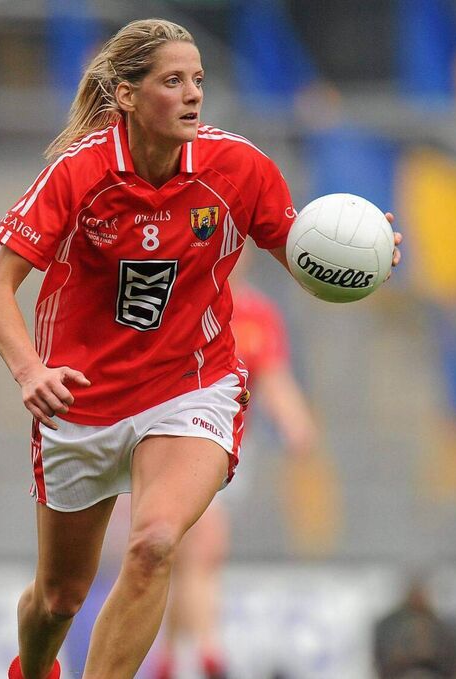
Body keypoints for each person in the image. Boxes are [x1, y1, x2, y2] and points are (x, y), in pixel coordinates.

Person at [0, 18, 401, 679]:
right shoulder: (78, 172)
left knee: (154, 544)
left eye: (198, 79)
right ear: (126, 95)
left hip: (190, 387)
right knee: (59, 597)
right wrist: (29, 370)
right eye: (173, 81)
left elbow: (300, 256)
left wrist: (361, 257)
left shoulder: (238, 168)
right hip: (81, 400)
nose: (194, 93)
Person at [153, 254, 318, 679]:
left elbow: (274, 375)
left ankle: (168, 658)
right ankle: (210, 651)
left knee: (180, 555)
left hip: (233, 450)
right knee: (204, 541)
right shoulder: (181, 301)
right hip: (176, 443)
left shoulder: (258, 314)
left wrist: (295, 422)